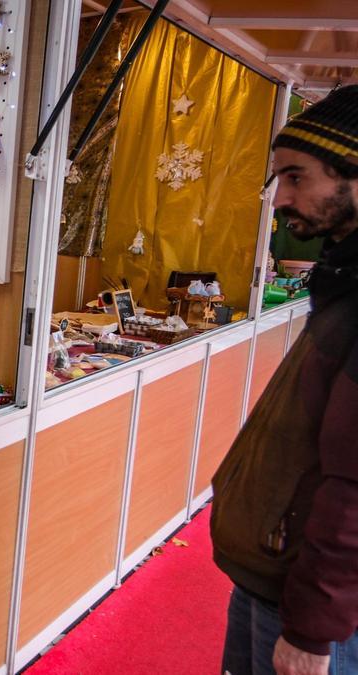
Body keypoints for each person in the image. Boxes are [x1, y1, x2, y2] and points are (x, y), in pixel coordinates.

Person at [211, 85, 358, 675]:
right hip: (276, 578)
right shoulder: (343, 277)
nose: (280, 199)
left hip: (309, 604)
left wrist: (312, 632)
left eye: (297, 177)